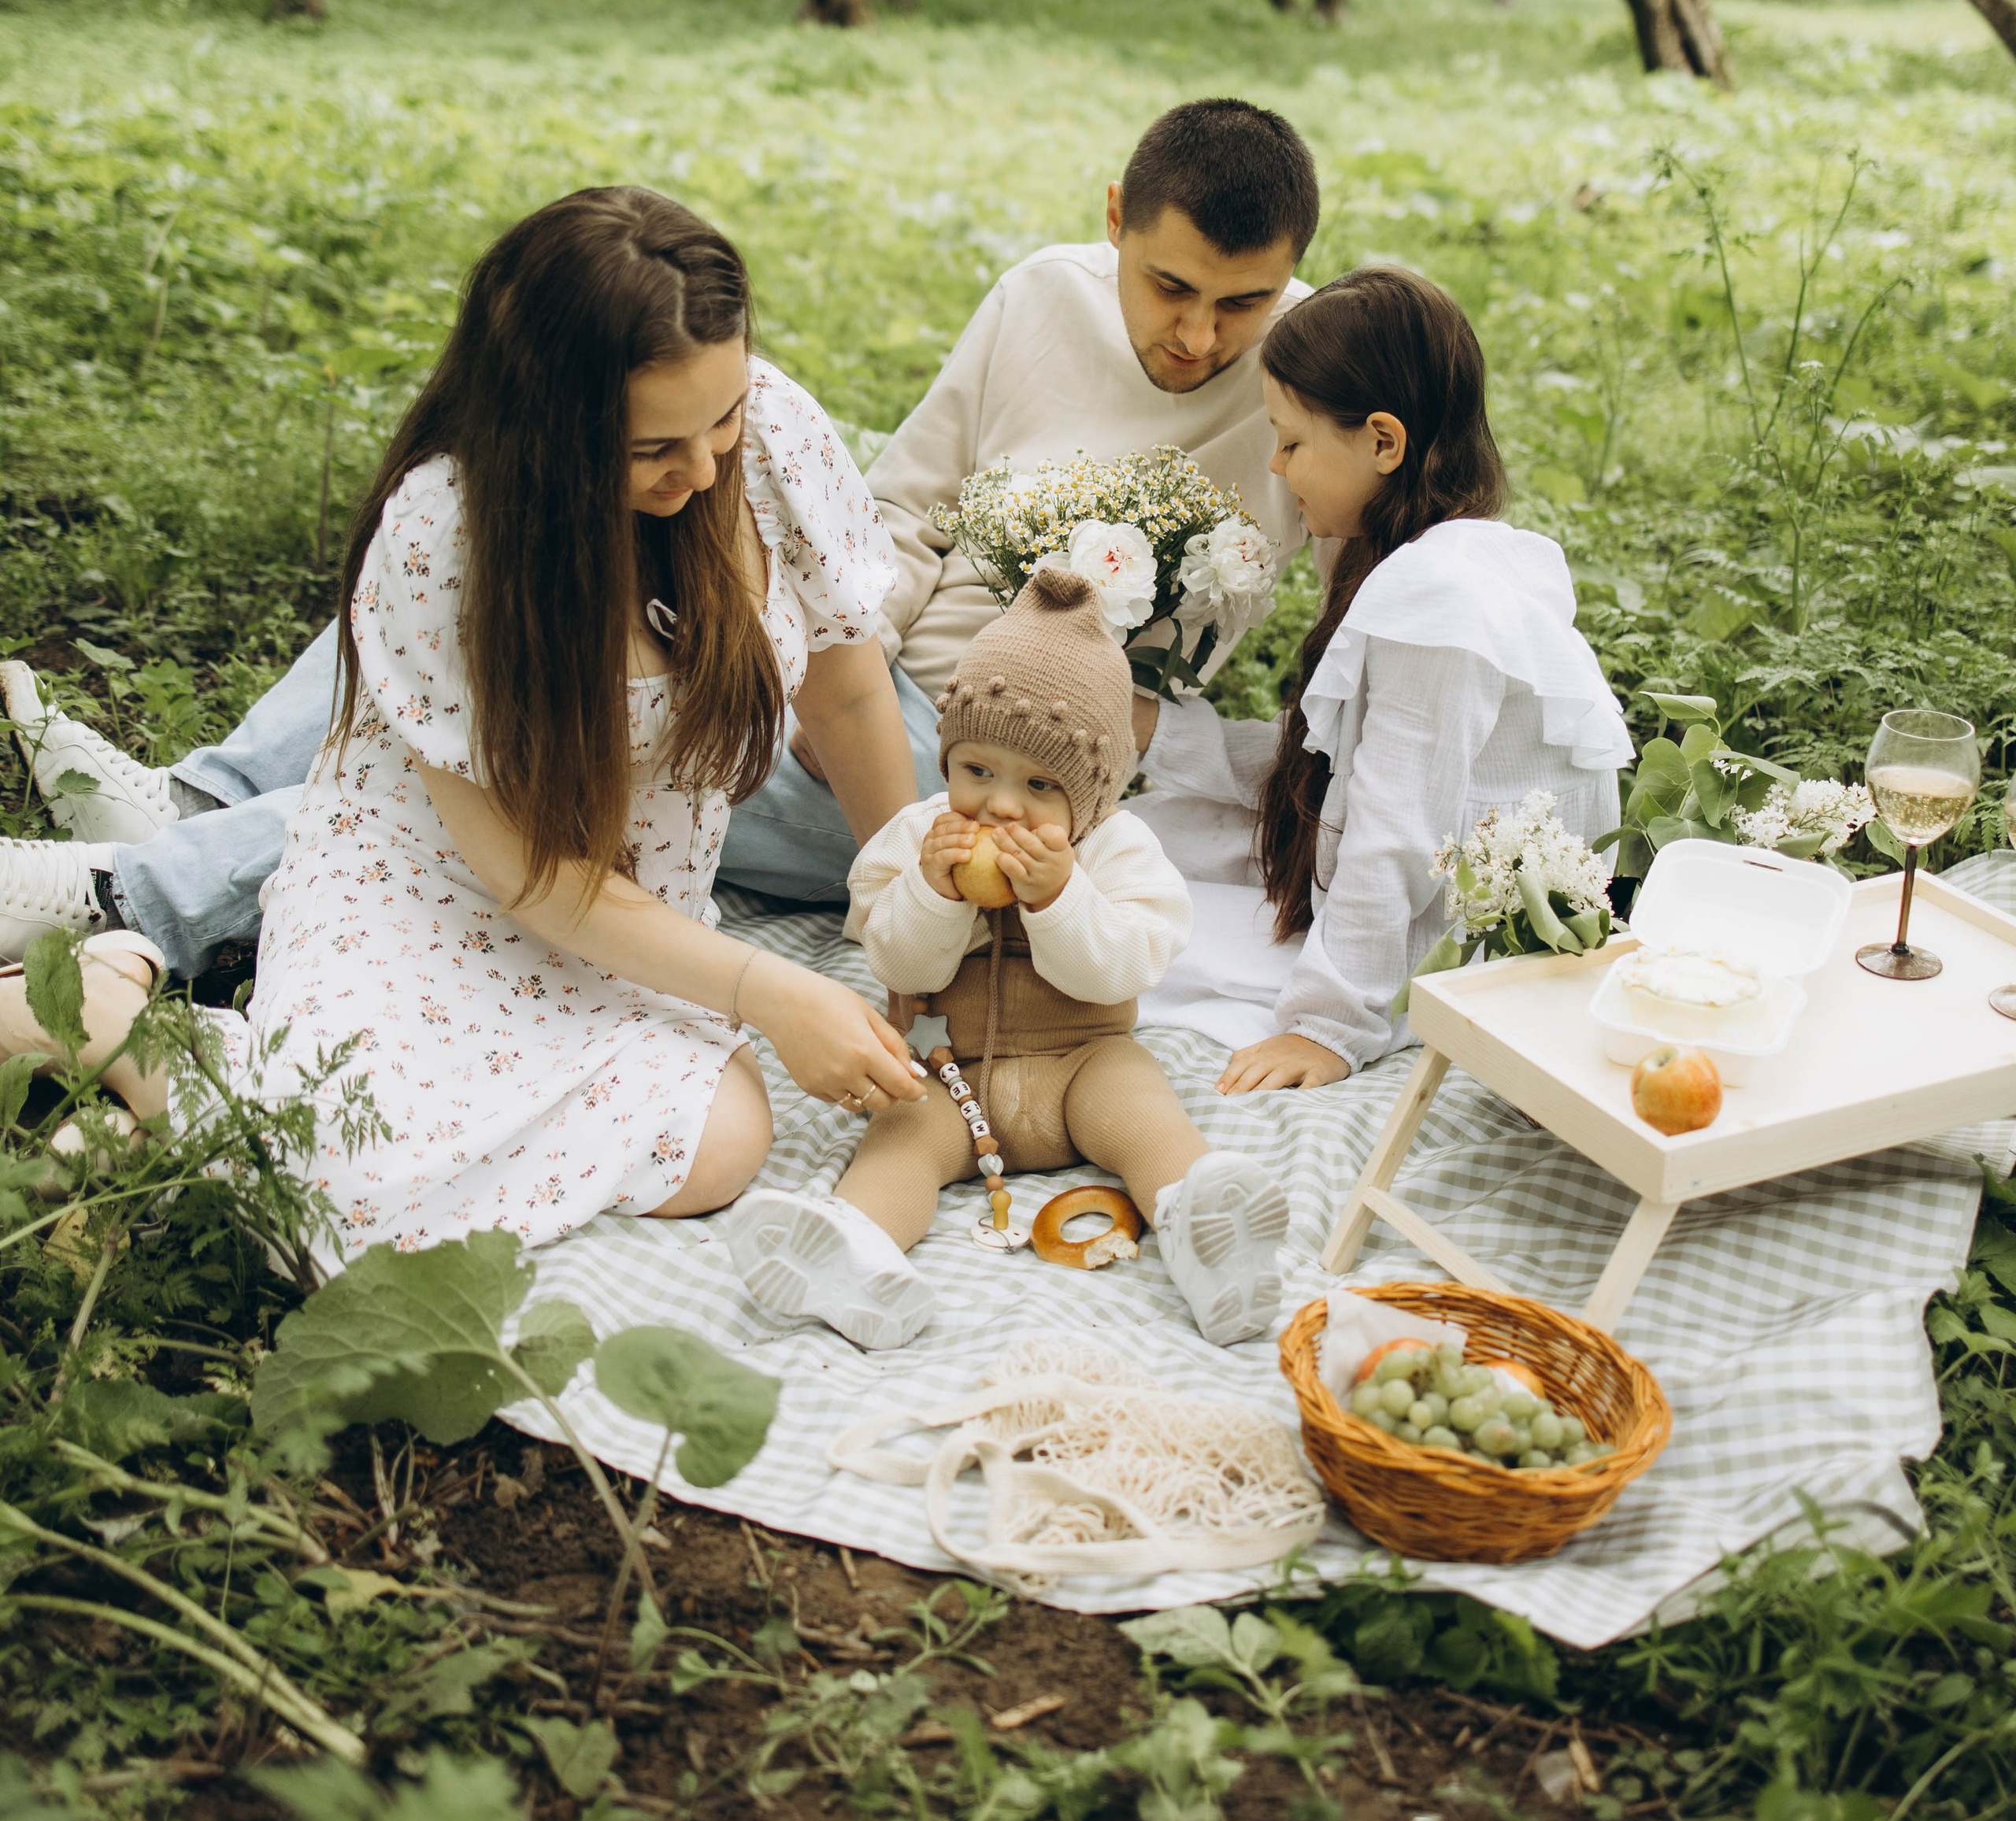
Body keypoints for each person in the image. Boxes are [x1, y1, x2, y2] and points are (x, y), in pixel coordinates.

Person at [0, 98, 1321, 968]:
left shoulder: (1310, 380)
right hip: (876, 665)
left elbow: (1403, 533)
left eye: (1240, 302)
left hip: (1001, 754)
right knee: (478, 584)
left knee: (582, 769)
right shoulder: (1040, 298)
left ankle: (145, 885)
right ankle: (198, 804)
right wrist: (818, 651)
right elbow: (900, 513)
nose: (1198, 334)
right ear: (1112, 222)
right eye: (1170, 287)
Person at [1, 188, 929, 1249]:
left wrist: (907, 910)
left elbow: (851, 693)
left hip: (637, 913)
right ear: (550, 430)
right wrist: (769, 990)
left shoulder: (766, 437)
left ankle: (169, 1097)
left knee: (718, 1144)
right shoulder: (445, 536)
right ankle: (97, 1019)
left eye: (723, 417)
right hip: (433, 892)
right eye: (652, 449)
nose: (709, 466)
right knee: (359, 1183)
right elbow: (529, 874)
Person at [720, 567, 1290, 1350]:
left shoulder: (1119, 849)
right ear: (947, 760)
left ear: (1091, 795)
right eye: (976, 771)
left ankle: (1204, 1230)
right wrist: (935, 894)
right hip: (948, 1070)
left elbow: (1125, 970)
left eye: (1039, 785)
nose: (1000, 804)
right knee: (900, 1138)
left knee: (1146, 1113)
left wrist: (1060, 899)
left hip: (1080, 1061)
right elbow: (896, 961)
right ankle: (856, 1252)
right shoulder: (918, 837)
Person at [1132, 267, 1632, 1085]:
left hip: (1456, 928)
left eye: (1292, 441)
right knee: (1137, 839)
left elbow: (1395, 829)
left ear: (1382, 442)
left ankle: (1340, 990)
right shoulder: (1411, 557)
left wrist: (1326, 1028)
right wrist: (1156, 732)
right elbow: (1337, 774)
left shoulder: (1436, 601)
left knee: (1118, 935)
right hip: (1397, 866)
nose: (1278, 465)